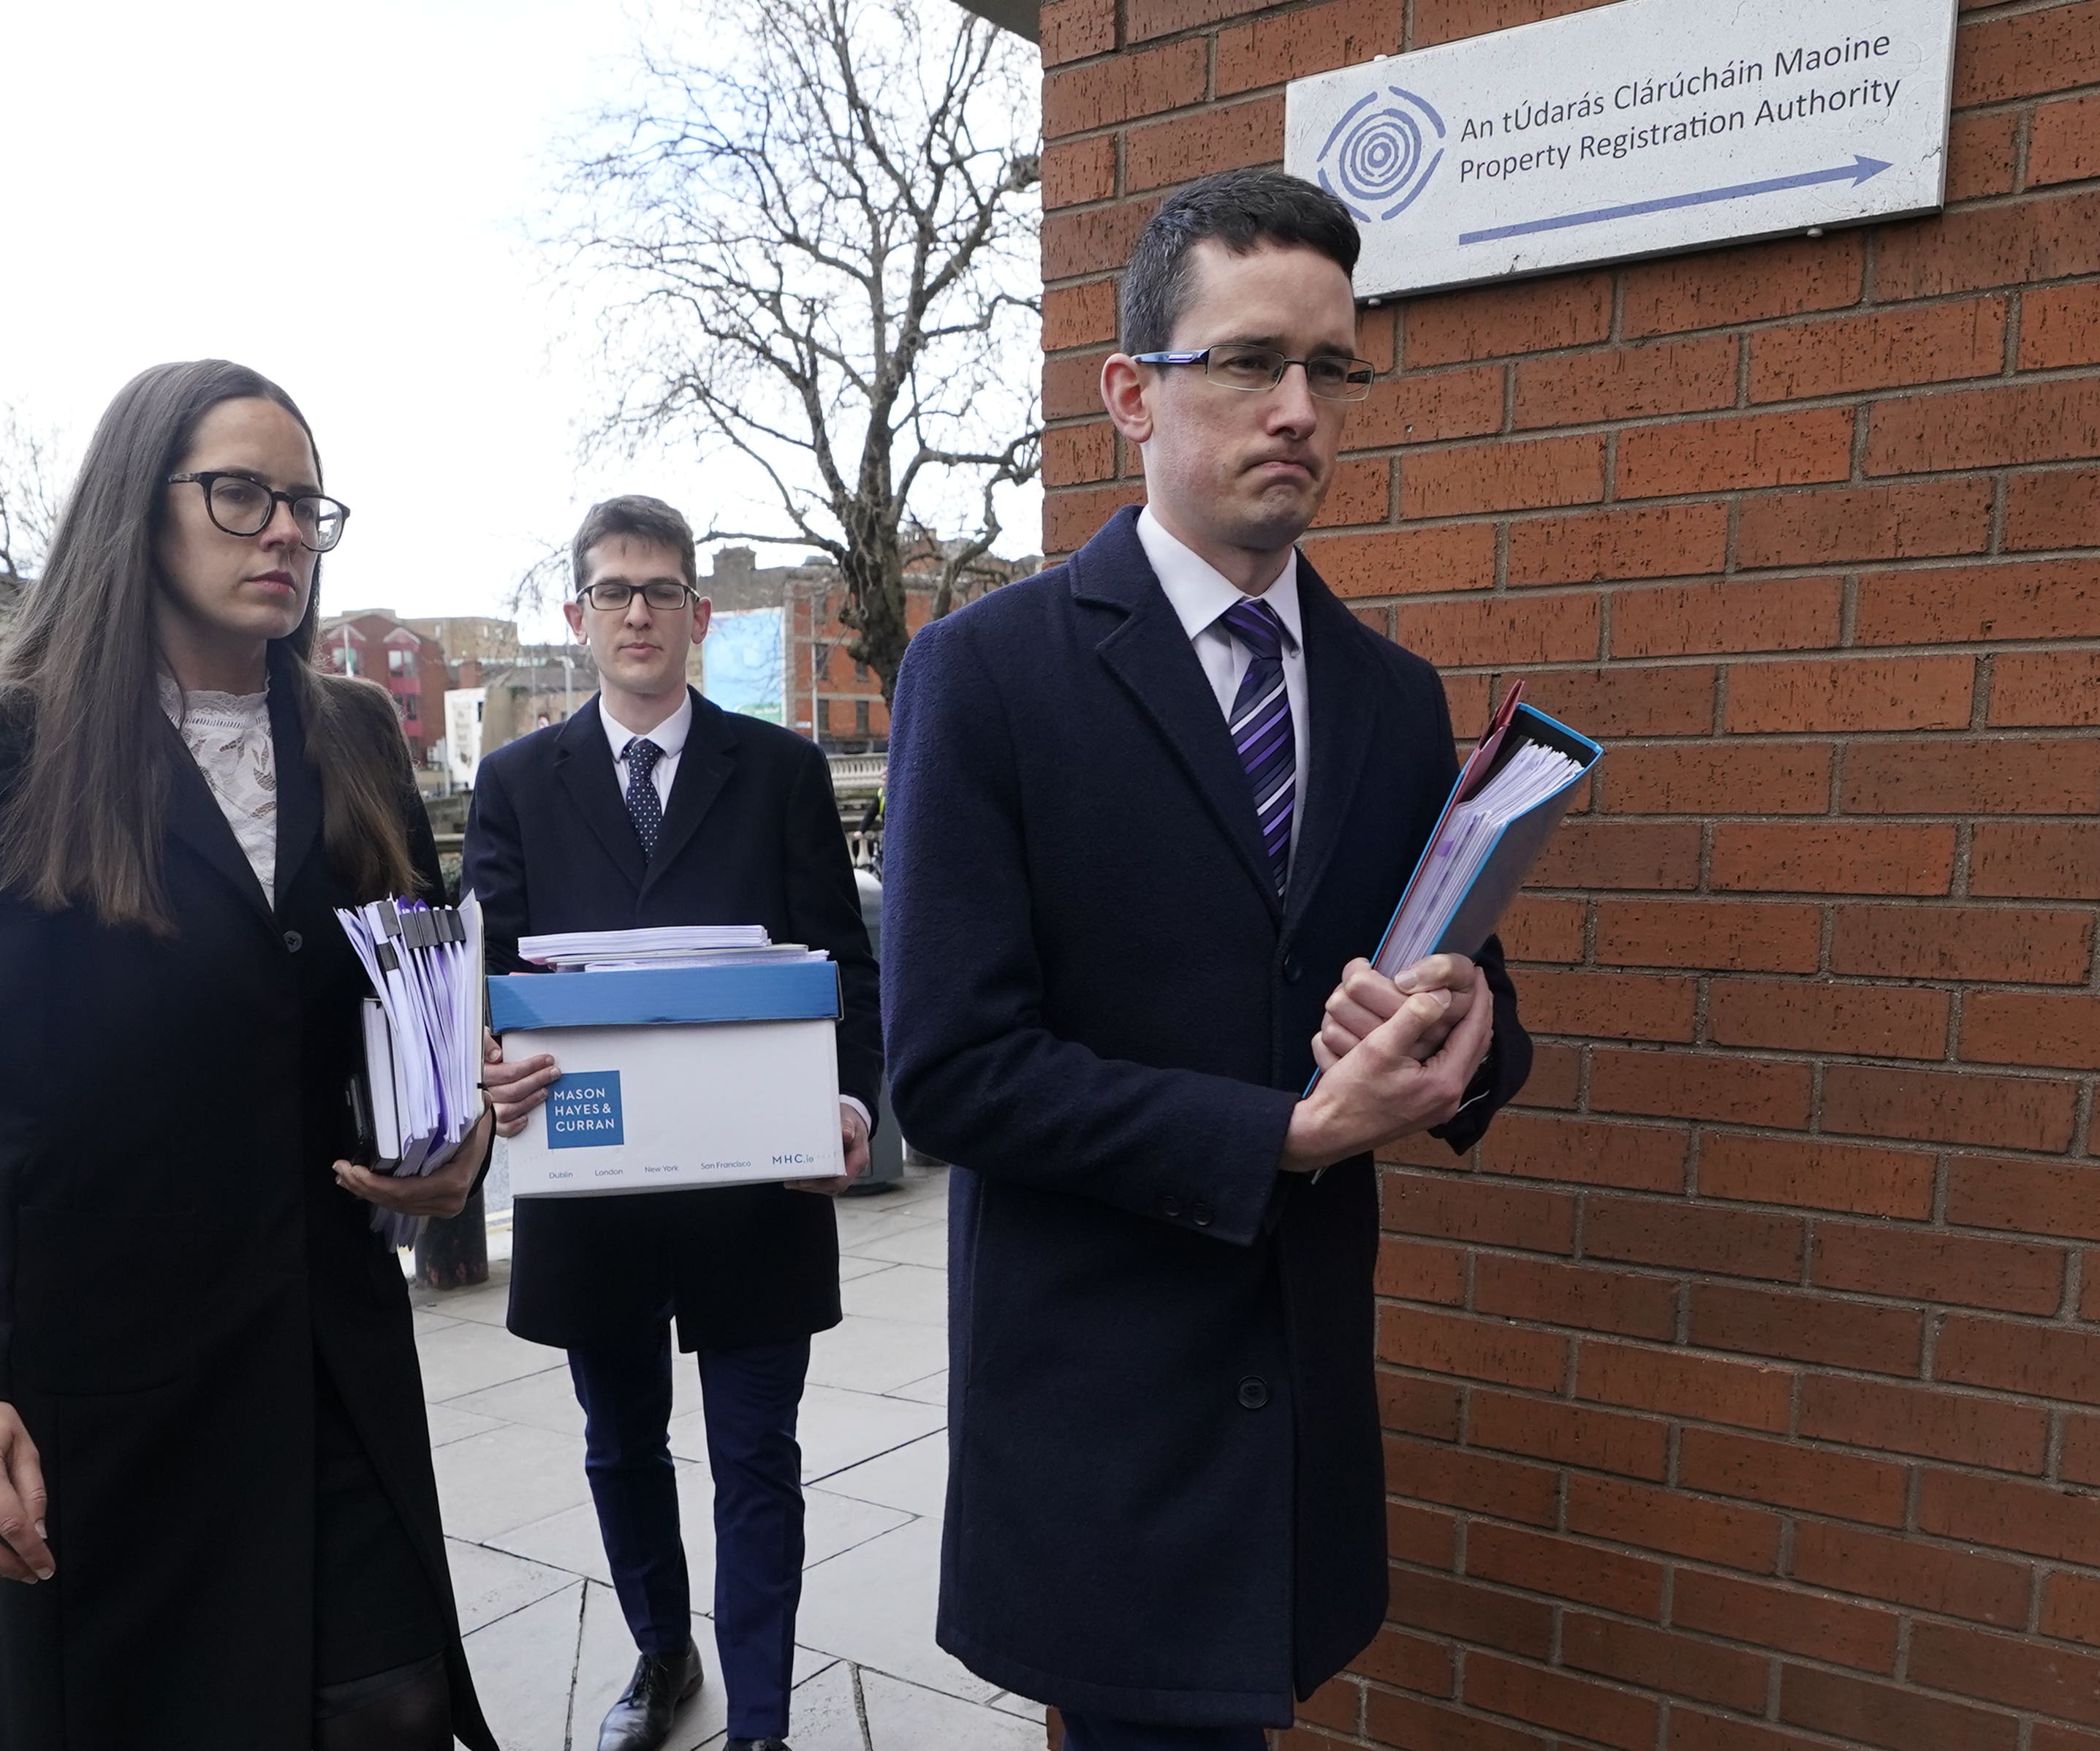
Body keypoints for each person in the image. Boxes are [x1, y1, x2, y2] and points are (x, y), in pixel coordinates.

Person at [879, 169, 1534, 1750]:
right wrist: (1285, 1135)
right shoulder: (988, 675)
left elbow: (1470, 987)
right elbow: (953, 1070)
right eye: (1249, 360)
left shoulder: (1389, 695)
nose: (1298, 407)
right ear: (1130, 393)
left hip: (1299, 1407)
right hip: (1102, 1412)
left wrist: (1471, 1027)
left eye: (1331, 367)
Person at [0, 359, 497, 1751]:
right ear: (140, 512)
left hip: (322, 1349)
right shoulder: (12, 744)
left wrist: (455, 1144)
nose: (280, 531)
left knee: (390, 1705)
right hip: (106, 1377)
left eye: (304, 507)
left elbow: (406, 1008)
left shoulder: (357, 740)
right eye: (240, 495)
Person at [466, 496, 881, 1751]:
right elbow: (486, 982)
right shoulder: (515, 785)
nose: (636, 612)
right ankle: (659, 1657)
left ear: (698, 616)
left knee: (757, 1459)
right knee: (621, 1445)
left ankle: (759, 1717)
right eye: (611, 591)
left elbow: (846, 971)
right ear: (576, 615)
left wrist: (850, 1104)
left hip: (756, 1190)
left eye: (658, 591)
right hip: (595, 1179)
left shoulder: (784, 773)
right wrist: (484, 1065)